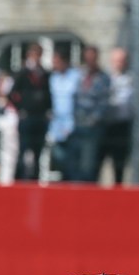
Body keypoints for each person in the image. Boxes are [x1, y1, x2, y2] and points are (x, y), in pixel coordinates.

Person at [9, 43, 52, 181]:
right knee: (23, 149)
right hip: (26, 117)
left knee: (38, 151)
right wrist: (21, 108)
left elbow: (48, 95)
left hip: (40, 117)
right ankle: (20, 177)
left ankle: (35, 177)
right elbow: (12, 94)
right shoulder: (22, 73)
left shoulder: (45, 74)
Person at [68, 46, 110, 183]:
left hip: (93, 128)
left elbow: (103, 103)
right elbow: (74, 98)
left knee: (89, 165)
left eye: (92, 57)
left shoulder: (103, 78)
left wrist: (92, 120)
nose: (89, 60)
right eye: (87, 57)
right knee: (74, 164)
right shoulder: (79, 75)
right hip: (77, 126)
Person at [47, 48, 81, 181]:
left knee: (73, 162)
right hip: (56, 126)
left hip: (73, 124)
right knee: (59, 160)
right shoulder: (53, 78)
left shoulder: (76, 77)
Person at [103, 47, 136, 184]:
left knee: (119, 164)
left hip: (122, 126)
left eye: (122, 60)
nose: (119, 63)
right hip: (105, 126)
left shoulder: (132, 79)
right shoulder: (104, 78)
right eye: (116, 60)